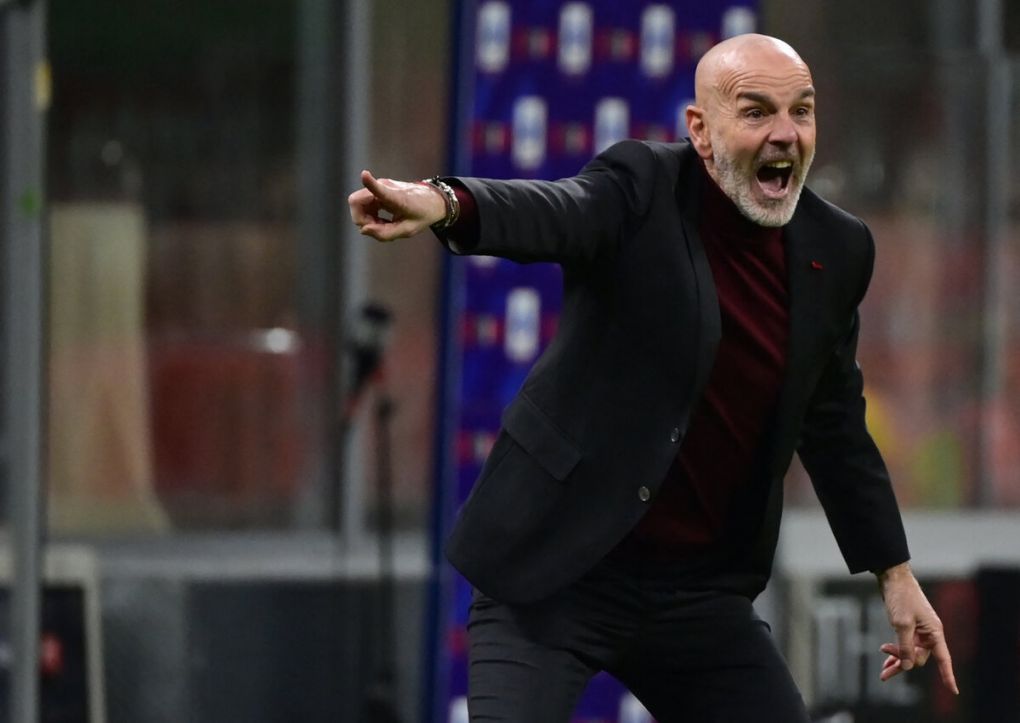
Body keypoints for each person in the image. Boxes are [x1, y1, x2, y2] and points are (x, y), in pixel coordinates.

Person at [349, 33, 957, 723]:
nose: (785, 133)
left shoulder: (838, 249)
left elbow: (835, 424)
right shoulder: (641, 188)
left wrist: (895, 573)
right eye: (756, 112)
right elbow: (555, 212)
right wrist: (447, 203)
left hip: (697, 598)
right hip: (556, 572)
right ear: (701, 130)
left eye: (802, 111)